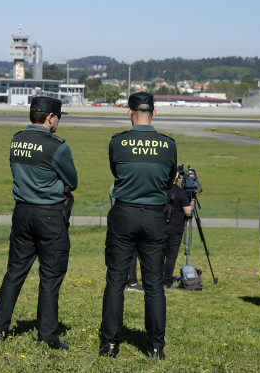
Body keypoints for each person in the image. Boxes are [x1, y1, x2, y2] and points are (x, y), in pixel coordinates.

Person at [0, 96, 78, 350]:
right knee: (50, 276)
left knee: (14, 272)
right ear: (50, 117)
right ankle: (47, 335)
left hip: (22, 213)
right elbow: (72, 180)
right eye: (58, 117)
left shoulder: (16, 140)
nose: (58, 122)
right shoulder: (57, 146)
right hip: (49, 215)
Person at [99, 91, 177, 360]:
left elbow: (115, 172)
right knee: (154, 284)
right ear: (154, 113)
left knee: (116, 280)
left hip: (124, 213)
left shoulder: (118, 143)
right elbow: (169, 181)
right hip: (154, 216)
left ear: (128, 112)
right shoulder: (168, 145)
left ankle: (109, 343)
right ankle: (155, 346)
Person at [125, 171, 194, 290]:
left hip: (159, 227)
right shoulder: (181, 192)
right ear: (177, 177)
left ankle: (155, 279)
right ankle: (166, 281)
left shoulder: (159, 190)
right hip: (176, 229)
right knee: (171, 256)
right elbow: (188, 211)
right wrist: (192, 200)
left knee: (158, 255)